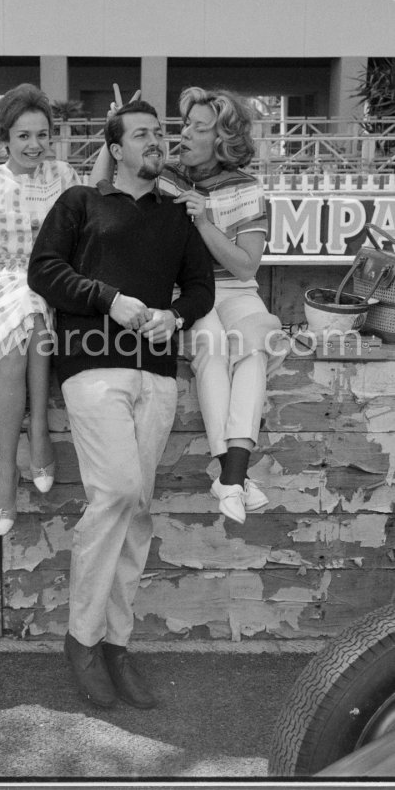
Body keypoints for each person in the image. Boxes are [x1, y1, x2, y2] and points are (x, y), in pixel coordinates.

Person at [28, 100, 215, 709]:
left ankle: (117, 646)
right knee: (115, 494)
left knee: (136, 508)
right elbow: (43, 271)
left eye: (159, 133)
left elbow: (202, 288)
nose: (156, 142)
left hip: (156, 374)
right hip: (90, 364)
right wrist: (109, 299)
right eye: (142, 134)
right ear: (115, 148)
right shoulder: (80, 203)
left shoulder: (177, 216)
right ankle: (82, 638)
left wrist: (175, 315)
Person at [91, 86, 288, 526]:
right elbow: (99, 189)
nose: (184, 135)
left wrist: (203, 219)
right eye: (185, 125)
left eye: (198, 128)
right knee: (212, 346)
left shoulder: (247, 189)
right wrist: (114, 130)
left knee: (252, 349)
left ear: (221, 139)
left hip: (236, 292)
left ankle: (230, 474)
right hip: (189, 293)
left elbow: (244, 266)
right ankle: (233, 476)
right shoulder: (167, 175)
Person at [0, 83, 80, 536]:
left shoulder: (64, 176)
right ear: (4, 138)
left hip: (54, 278)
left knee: (32, 316)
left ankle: (12, 465)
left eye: (42, 134)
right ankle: (29, 444)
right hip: (7, 282)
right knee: (21, 326)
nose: (35, 145)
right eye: (23, 136)